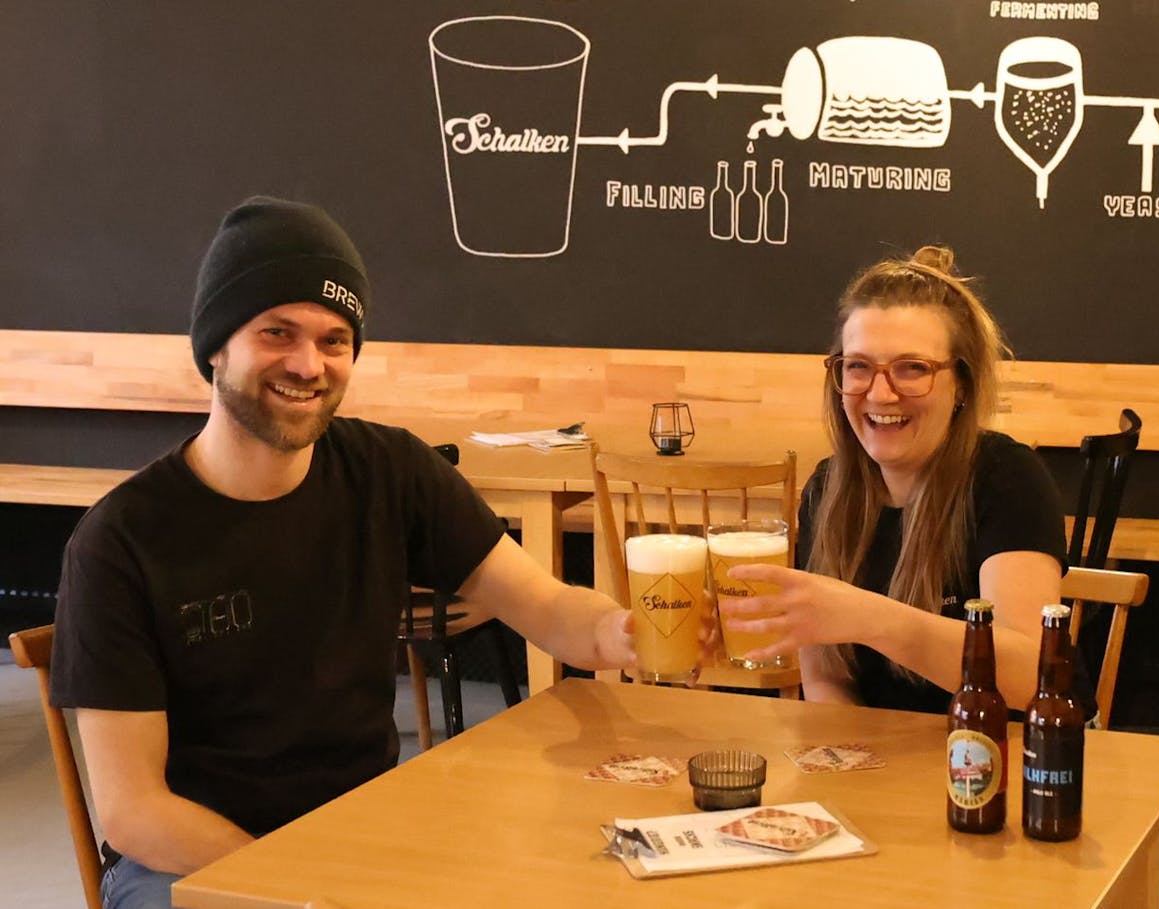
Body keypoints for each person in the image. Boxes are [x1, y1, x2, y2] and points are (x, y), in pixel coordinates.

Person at [48, 196, 635, 909]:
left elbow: (543, 603)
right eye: (277, 332)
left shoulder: (390, 471)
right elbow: (134, 809)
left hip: (359, 832)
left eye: (334, 340)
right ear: (214, 347)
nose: (308, 363)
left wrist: (616, 632)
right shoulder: (120, 542)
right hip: (184, 862)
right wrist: (298, 882)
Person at [721, 245, 1074, 712]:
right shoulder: (827, 489)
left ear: (962, 384)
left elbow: (1027, 676)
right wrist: (846, 767)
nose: (881, 393)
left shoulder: (1007, 478)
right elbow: (826, 676)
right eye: (858, 366)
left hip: (1006, 759)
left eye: (913, 369)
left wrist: (865, 616)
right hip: (879, 765)